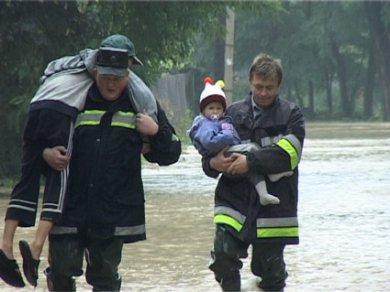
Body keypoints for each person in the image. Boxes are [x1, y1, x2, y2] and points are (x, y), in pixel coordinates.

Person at [0, 34, 180, 289]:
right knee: (61, 271)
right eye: (105, 77)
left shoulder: (141, 103)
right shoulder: (72, 96)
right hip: (69, 207)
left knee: (105, 276)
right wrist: (46, 155)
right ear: (95, 71)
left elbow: (171, 153)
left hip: (113, 211)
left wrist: (155, 132)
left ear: (128, 73)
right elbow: (36, 143)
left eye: (117, 79)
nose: (110, 84)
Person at [202, 54, 305, 291]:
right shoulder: (231, 114)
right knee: (222, 257)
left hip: (275, 207)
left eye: (269, 88)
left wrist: (250, 162)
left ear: (279, 86)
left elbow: (289, 156)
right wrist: (212, 164)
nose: (263, 93)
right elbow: (208, 157)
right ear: (250, 83)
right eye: (258, 87)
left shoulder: (292, 114)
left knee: (270, 273)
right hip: (234, 202)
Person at [189, 77, 290, 206]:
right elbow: (209, 142)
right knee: (252, 150)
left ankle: (263, 194)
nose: (215, 111)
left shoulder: (223, 120)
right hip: (225, 153)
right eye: (211, 108)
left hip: (230, 152)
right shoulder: (205, 124)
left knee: (250, 167)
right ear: (203, 110)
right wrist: (226, 136)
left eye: (218, 108)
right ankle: (271, 174)